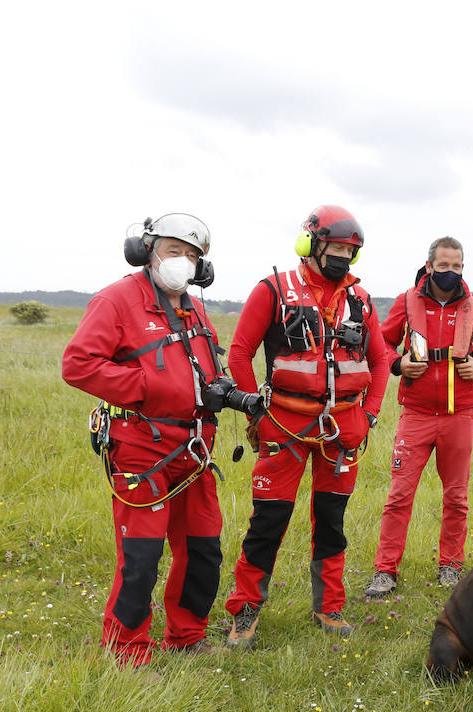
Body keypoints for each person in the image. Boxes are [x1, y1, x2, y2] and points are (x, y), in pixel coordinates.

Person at [63, 213, 260, 666]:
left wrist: (226, 394)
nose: (184, 262)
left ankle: (186, 636)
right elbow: (78, 364)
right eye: (175, 251)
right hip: (141, 449)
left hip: (194, 451)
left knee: (203, 550)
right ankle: (128, 653)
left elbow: (198, 370)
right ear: (146, 251)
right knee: (142, 557)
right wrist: (147, 388)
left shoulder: (193, 306)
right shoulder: (116, 301)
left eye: (193, 256)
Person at [223, 205, 390, 648]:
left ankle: (329, 606)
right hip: (284, 426)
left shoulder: (361, 300)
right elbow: (239, 354)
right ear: (311, 244)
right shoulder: (273, 290)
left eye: (348, 251)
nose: (341, 256)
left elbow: (381, 359)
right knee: (268, 521)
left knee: (332, 521)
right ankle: (245, 609)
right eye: (334, 247)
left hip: (343, 430)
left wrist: (369, 413)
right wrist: (254, 412)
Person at [363, 236, 473, 597]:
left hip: (459, 415)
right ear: (429, 267)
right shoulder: (407, 302)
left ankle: (451, 567)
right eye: (443, 266)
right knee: (399, 495)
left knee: (457, 498)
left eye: (457, 267)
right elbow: (378, 344)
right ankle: (385, 571)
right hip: (415, 415)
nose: (450, 273)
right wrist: (398, 364)